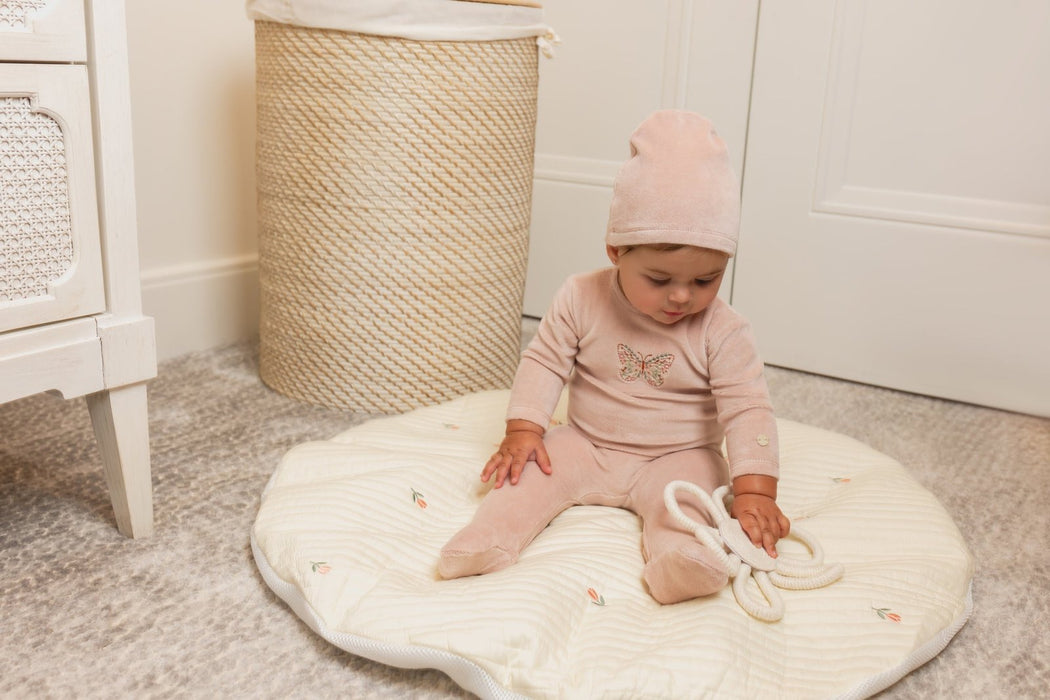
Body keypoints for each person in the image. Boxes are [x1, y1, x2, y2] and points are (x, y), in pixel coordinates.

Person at [438, 110, 790, 604]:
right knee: (527, 475)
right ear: (616, 251)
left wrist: (755, 492)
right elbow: (544, 361)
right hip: (586, 442)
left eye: (705, 280)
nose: (682, 296)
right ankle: (487, 539)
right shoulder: (580, 296)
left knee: (689, 505)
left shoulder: (724, 330)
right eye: (660, 279)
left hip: (678, 455)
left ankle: (681, 564)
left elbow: (748, 407)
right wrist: (524, 430)